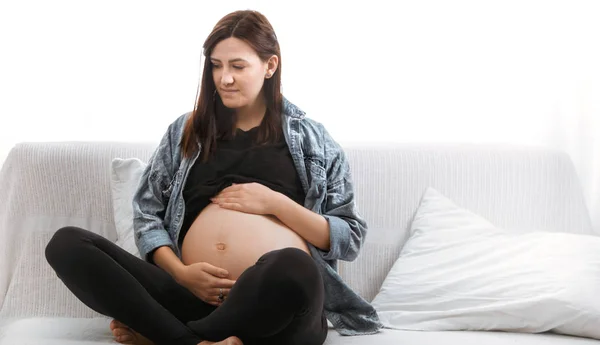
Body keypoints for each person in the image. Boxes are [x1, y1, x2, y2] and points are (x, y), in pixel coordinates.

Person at [44, 9, 382, 345]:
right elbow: (148, 216)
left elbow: (349, 237)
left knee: (294, 265)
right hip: (190, 298)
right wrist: (181, 274)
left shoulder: (314, 140)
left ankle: (168, 336)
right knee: (68, 243)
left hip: (280, 308)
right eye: (216, 66)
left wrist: (276, 204)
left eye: (237, 66)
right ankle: (202, 339)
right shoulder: (186, 131)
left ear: (270, 66)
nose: (224, 78)